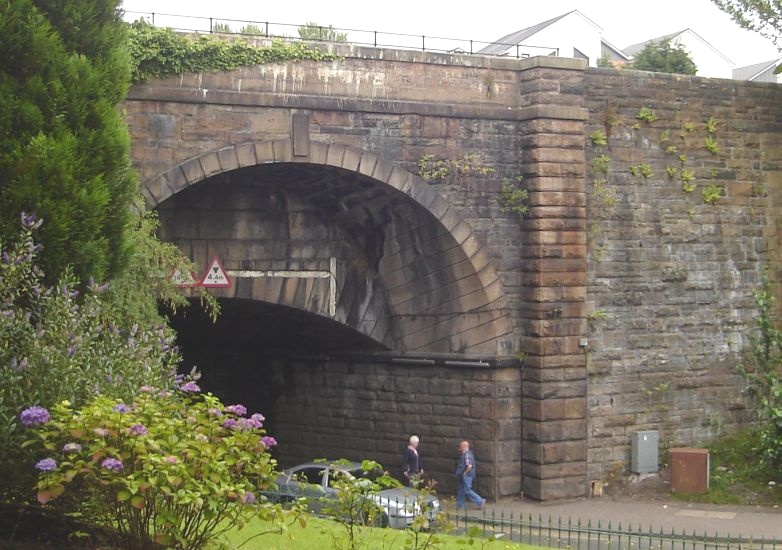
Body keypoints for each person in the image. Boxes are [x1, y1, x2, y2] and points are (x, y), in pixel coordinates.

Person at [455, 439, 485, 509]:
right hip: (464, 475)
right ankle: (460, 504)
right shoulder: (467, 454)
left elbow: (469, 466)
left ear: (464, 446)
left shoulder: (467, 454)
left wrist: (464, 473)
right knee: (461, 489)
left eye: (461, 446)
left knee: (467, 490)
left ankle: (480, 501)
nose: (460, 448)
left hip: (466, 475)